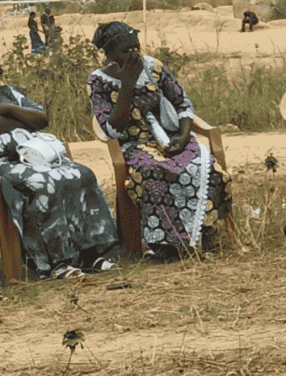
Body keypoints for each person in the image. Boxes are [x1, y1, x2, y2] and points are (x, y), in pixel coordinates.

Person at [0, 36, 122, 278]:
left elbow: (41, 119)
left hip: (26, 158)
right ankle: (52, 263)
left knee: (81, 174)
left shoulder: (5, 93)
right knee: (42, 183)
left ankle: (89, 254)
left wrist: (9, 109)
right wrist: (21, 121)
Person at [88, 21, 233, 259]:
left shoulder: (154, 67)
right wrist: (127, 85)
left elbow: (183, 104)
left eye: (137, 47)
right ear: (110, 53)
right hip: (134, 144)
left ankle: (205, 233)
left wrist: (184, 137)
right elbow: (113, 130)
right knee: (153, 171)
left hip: (173, 138)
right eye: (126, 51)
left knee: (204, 167)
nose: (135, 54)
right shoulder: (98, 81)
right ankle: (166, 245)